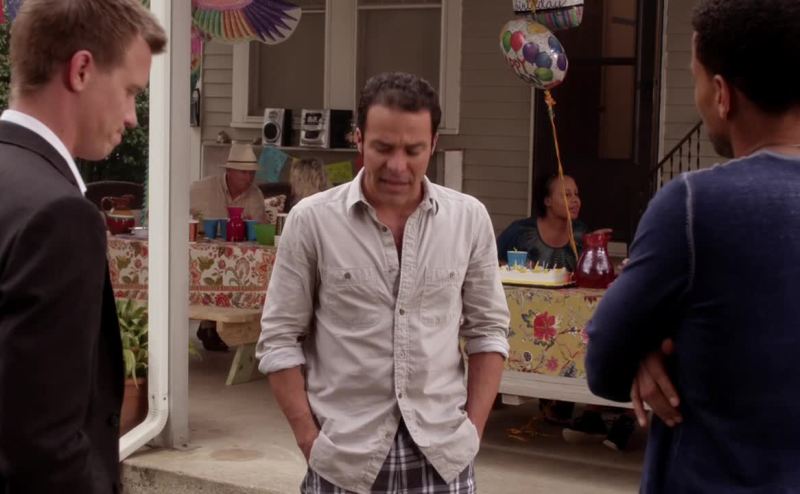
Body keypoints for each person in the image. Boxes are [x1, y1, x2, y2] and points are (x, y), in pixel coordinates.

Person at [256, 72, 510, 493]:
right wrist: (309, 440)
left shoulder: (468, 219)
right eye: (383, 147)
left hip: (444, 457)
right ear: (358, 139)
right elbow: (279, 337)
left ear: (434, 144)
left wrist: (473, 432)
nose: (397, 165)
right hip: (342, 458)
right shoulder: (313, 221)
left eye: (413, 150)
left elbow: (489, 332)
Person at [586, 0, 800, 491]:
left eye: (696, 79)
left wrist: (641, 348)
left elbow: (604, 363)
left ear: (722, 94)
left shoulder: (694, 205)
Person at [0, 0, 166, 491]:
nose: (133, 117)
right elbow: (41, 442)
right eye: (130, 91)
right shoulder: (59, 216)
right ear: (81, 70)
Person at [496, 174, 588, 270]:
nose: (575, 200)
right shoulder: (521, 231)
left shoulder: (582, 234)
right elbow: (491, 261)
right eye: (567, 195)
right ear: (547, 201)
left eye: (576, 194)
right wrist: (517, 270)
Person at [190, 141, 267, 225]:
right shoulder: (202, 188)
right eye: (243, 172)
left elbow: (260, 228)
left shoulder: (256, 195)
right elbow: (179, 212)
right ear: (228, 170)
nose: (249, 178)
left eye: (252, 173)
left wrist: (249, 227)